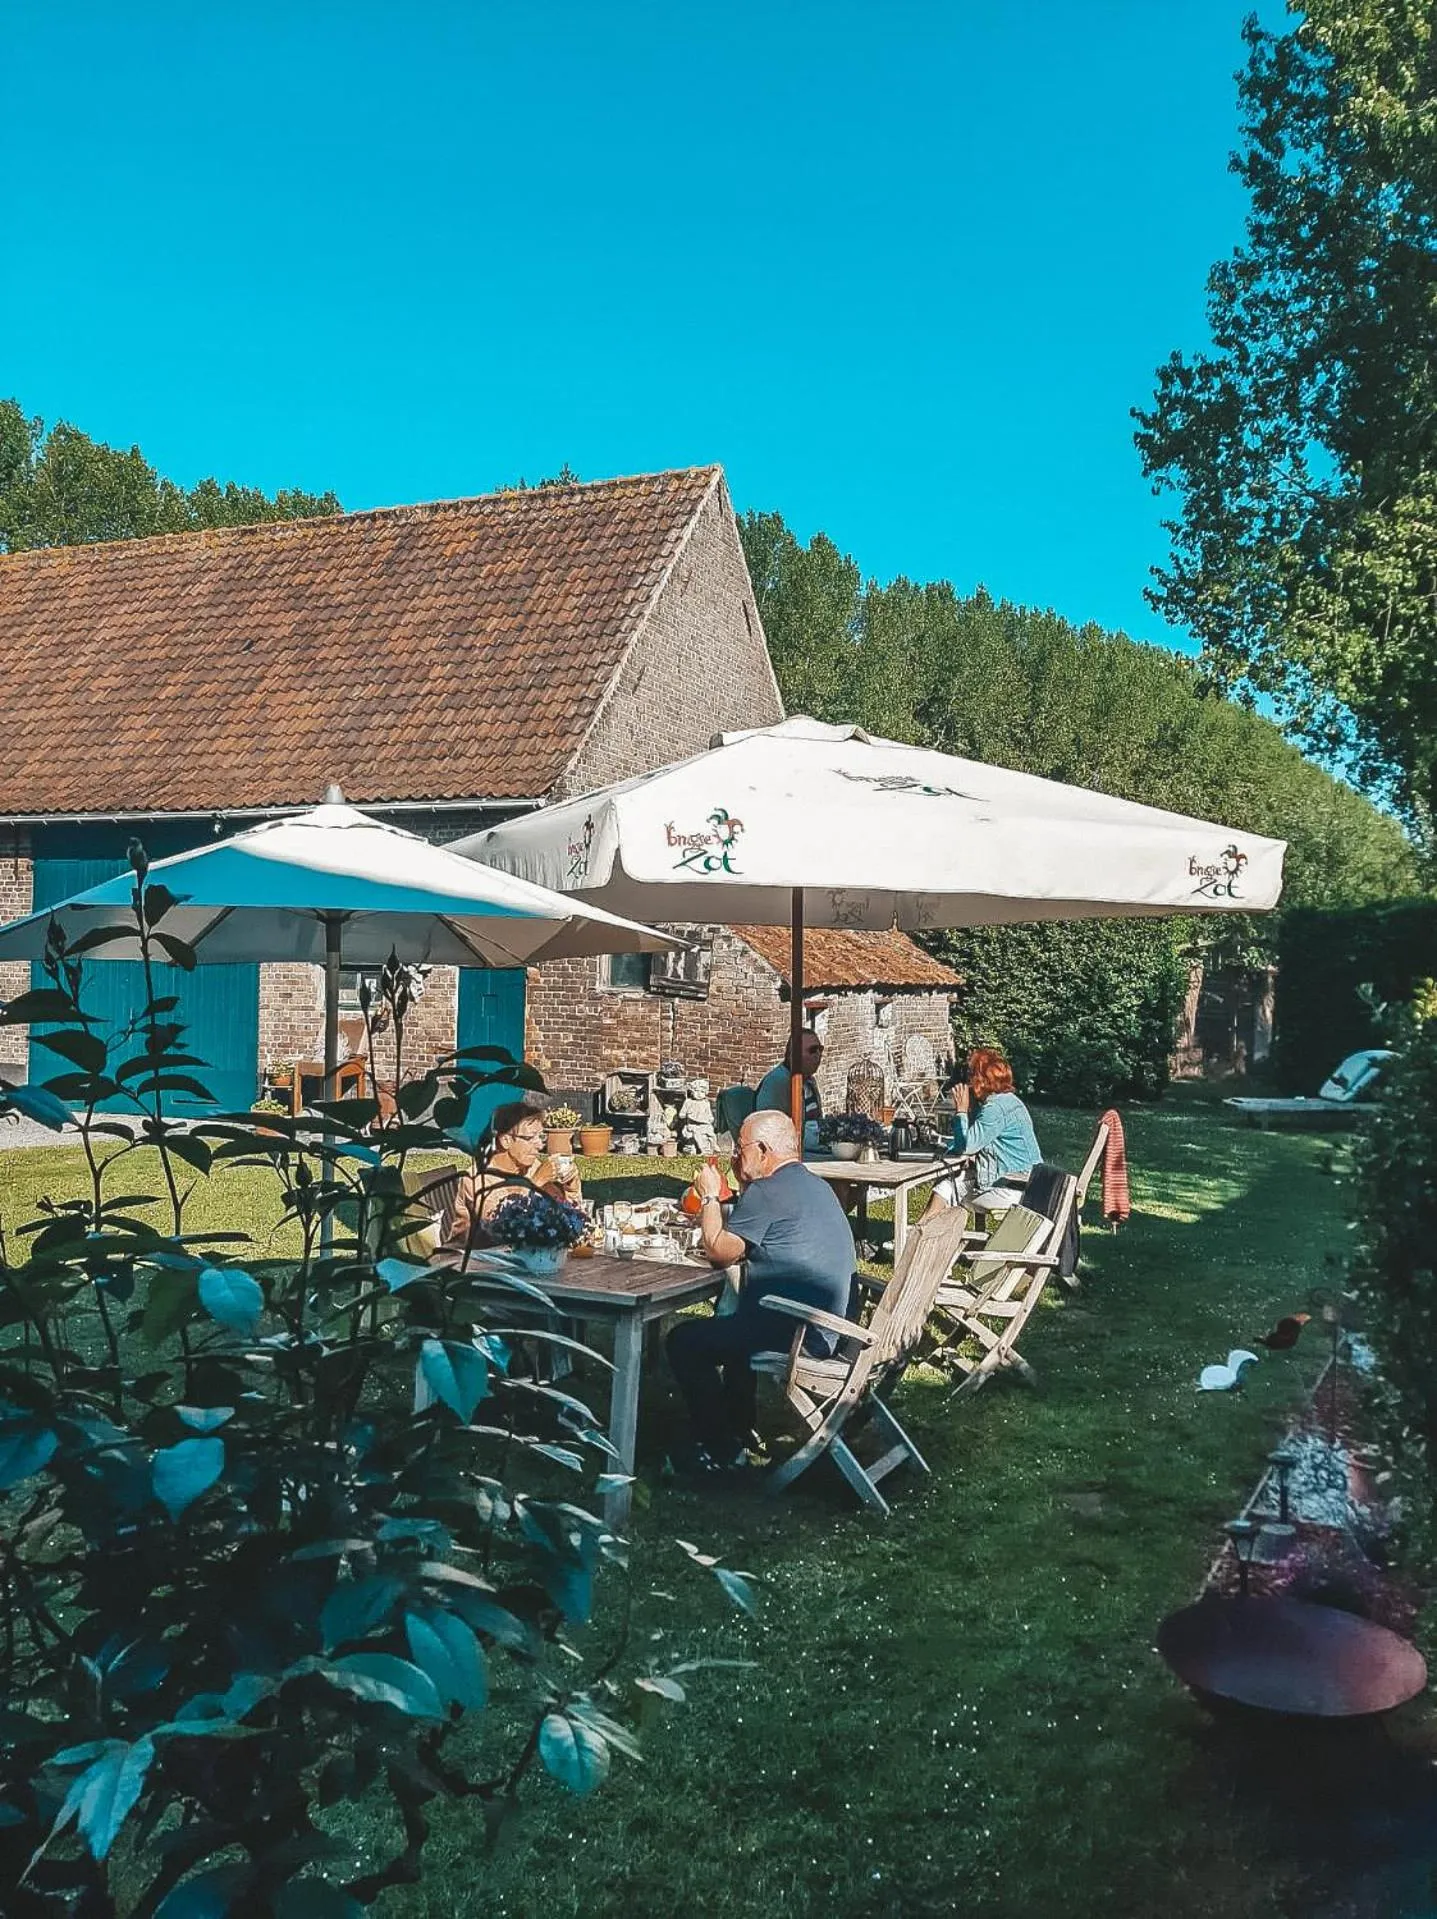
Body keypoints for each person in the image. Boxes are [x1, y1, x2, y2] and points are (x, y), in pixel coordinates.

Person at [667, 1109, 855, 1473]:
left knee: (685, 1341)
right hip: (832, 1326)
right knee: (737, 1326)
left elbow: (720, 1251)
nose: (735, 1157)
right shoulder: (814, 1185)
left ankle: (719, 1449)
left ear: (764, 1150)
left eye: (740, 1149)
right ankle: (738, 1427)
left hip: (798, 1331)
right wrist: (741, 1180)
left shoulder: (769, 1192)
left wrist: (708, 1197)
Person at [439, 1099, 584, 1263]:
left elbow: (567, 1220)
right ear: (506, 1140)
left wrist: (571, 1187)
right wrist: (536, 1182)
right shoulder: (476, 1178)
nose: (539, 1145)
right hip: (469, 1265)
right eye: (530, 1138)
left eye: (541, 1136)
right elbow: (501, 1227)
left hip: (521, 1262)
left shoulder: (531, 1167)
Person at [922, 1047, 1041, 1219]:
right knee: (950, 1183)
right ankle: (926, 1235)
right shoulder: (1011, 1102)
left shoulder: (995, 1108)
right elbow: (982, 1140)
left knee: (948, 1186)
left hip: (1013, 1189)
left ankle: (918, 1236)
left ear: (981, 1080)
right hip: (1030, 1184)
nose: (968, 1081)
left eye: (971, 1075)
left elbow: (967, 1146)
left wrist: (961, 1111)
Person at [754, 1030, 824, 1154]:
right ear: (794, 1054)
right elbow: (769, 1130)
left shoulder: (809, 1081)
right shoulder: (777, 1082)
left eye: (820, 1049)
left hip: (813, 1151)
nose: (818, 1054)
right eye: (813, 1050)